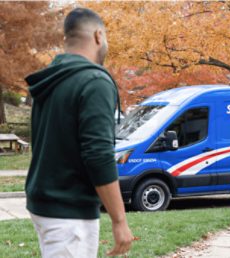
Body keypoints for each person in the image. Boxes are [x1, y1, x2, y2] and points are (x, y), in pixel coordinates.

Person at [25, 8, 134, 257]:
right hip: (68, 212)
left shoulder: (53, 79)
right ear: (98, 36)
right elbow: (98, 154)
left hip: (45, 204)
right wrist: (119, 220)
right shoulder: (94, 81)